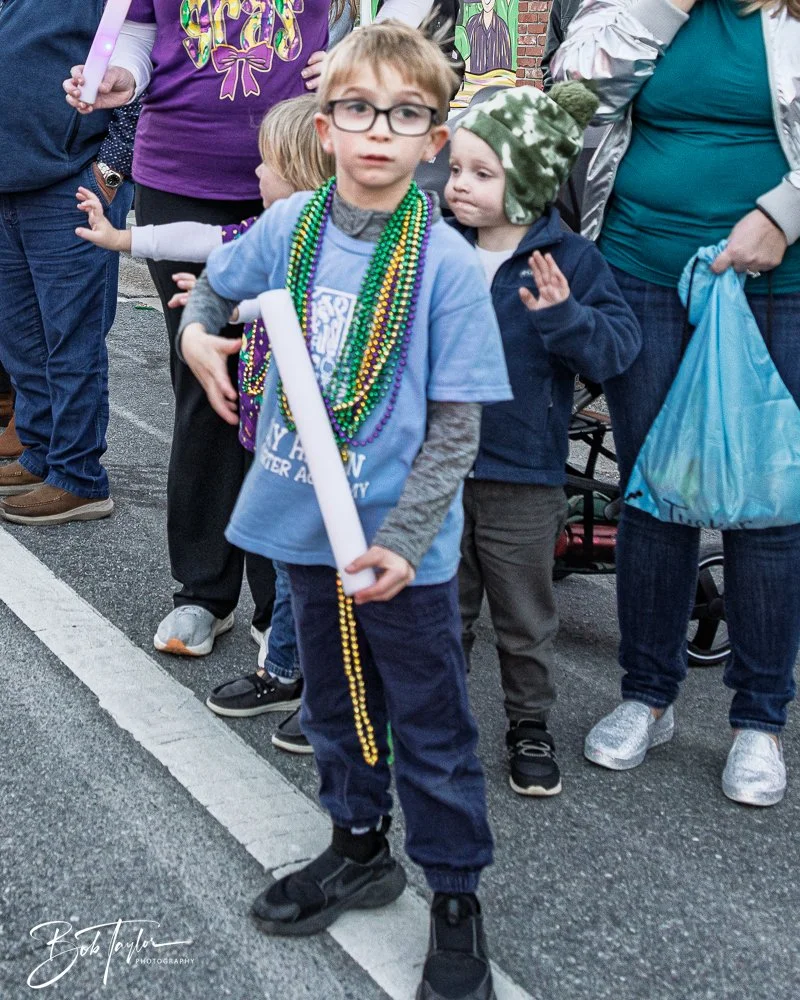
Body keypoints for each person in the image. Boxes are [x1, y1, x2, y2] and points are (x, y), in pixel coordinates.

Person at [178, 22, 511, 1000]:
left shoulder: (446, 266)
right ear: (325, 127)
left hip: (402, 542)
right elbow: (215, 292)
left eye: (405, 114)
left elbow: (456, 428)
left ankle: (455, 895)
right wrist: (197, 335)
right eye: (357, 109)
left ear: (433, 138)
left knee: (429, 719)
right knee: (334, 700)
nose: (377, 130)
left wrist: (403, 541)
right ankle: (359, 845)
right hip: (305, 524)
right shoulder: (290, 227)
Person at [62, 0, 442, 664]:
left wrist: (365, 53)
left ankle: (282, 604)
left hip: (302, 169)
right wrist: (125, 73)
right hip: (182, 176)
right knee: (205, 387)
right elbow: (140, 31)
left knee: (296, 395)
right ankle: (203, 591)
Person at [553, 0, 800, 806]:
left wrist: (783, 215)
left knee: (766, 504)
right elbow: (575, 89)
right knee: (653, 491)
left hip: (779, 284)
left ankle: (759, 718)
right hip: (640, 273)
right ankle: (648, 695)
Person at [76, 94, 332, 743]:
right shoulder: (269, 232)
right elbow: (199, 240)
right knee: (277, 542)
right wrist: (124, 239)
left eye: (267, 164)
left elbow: (283, 294)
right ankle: (278, 665)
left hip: (316, 442)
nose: (255, 173)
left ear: (302, 175)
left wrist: (239, 304)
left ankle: (319, 684)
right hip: (265, 423)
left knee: (305, 561)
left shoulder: (335, 247)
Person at [445, 84, 641, 797]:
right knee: (442, 612)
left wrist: (564, 317)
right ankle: (437, 721)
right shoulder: (437, 246)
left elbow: (616, 350)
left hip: (523, 474)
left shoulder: (572, 262)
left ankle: (529, 725)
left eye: (482, 172)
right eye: (456, 168)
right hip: (436, 470)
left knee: (525, 618)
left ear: (529, 181)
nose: (459, 184)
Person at [0, 5, 137, 525]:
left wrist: (109, 173)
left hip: (71, 186)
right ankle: (38, 454)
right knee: (21, 337)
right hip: (10, 181)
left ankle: (79, 477)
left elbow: (143, 68)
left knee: (72, 339)